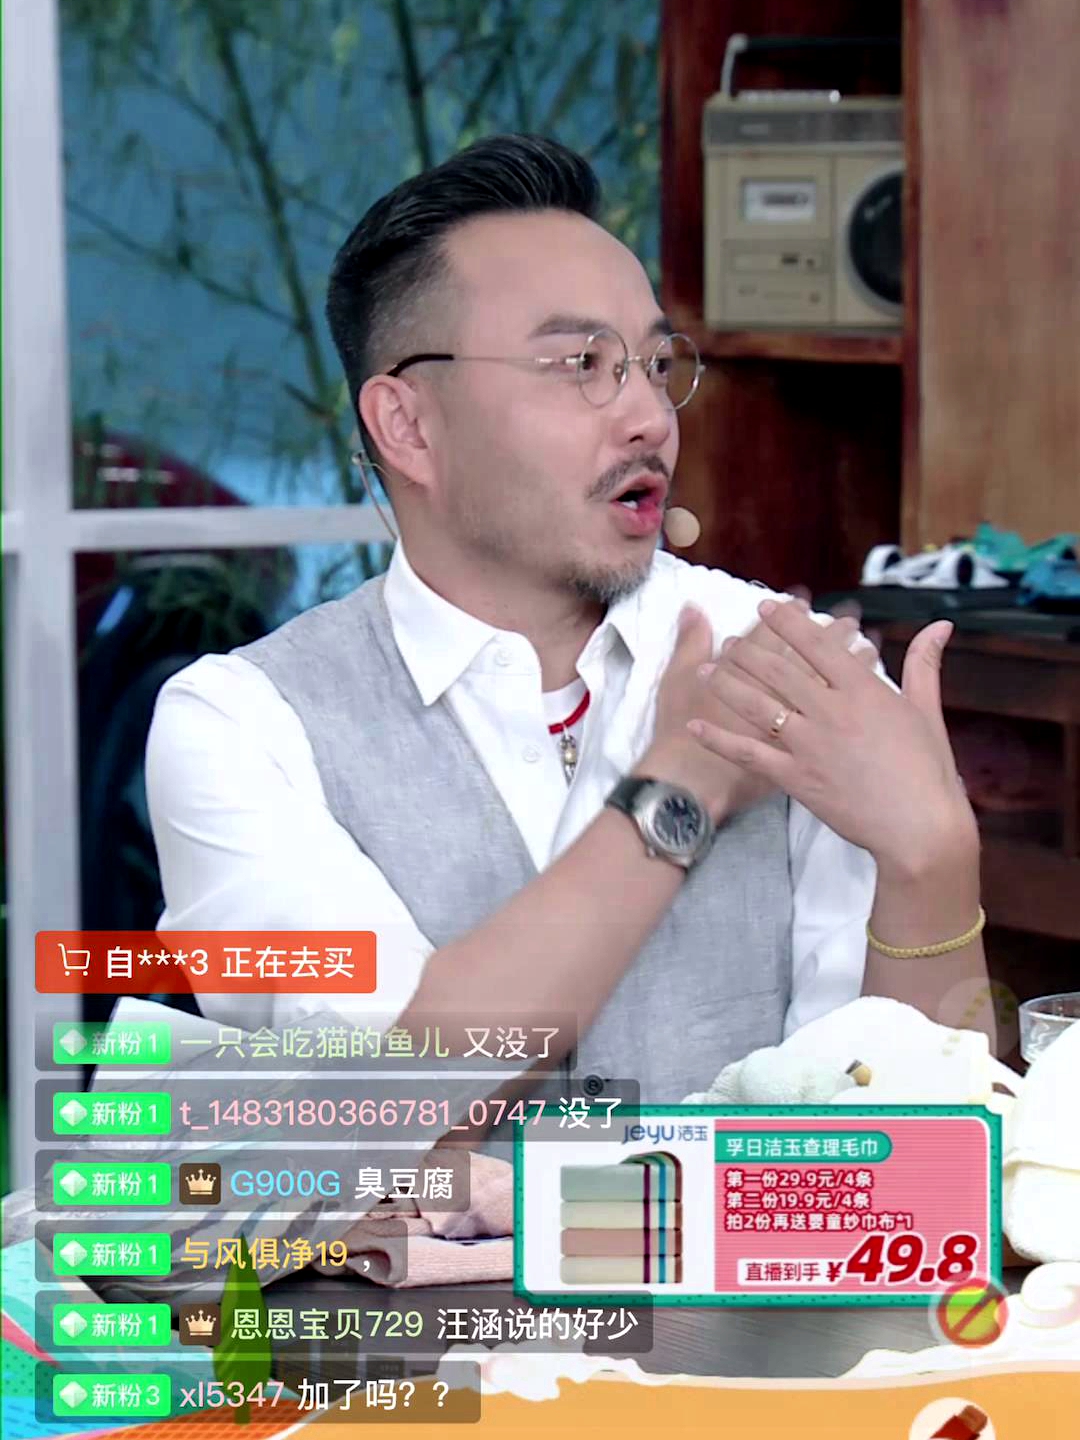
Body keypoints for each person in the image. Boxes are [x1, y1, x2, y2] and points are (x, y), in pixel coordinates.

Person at [146, 134, 993, 1106]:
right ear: (407, 425)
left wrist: (933, 856)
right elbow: (388, 1101)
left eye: (654, 365)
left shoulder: (788, 666)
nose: (649, 418)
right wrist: (684, 782)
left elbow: (913, 1137)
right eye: (581, 363)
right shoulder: (242, 726)